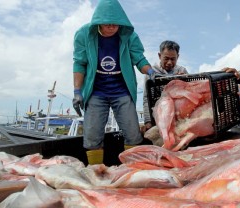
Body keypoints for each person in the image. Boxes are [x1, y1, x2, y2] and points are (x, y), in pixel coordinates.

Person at [72, 0, 155, 164]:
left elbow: (139, 59)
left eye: (115, 24)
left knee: (133, 133)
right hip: (96, 91)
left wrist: (151, 71)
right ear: (98, 22)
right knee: (92, 135)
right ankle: (96, 171)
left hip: (122, 91)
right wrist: (77, 91)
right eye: (107, 24)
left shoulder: (129, 35)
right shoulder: (83, 34)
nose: (112, 27)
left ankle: (132, 171)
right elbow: (79, 63)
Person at [141, 40, 188, 133]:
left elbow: (189, 94)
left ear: (178, 57)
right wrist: (148, 121)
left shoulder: (182, 70)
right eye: (166, 58)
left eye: (173, 59)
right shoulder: (151, 72)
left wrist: (184, 81)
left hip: (178, 116)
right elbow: (146, 99)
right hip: (158, 117)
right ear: (159, 56)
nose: (169, 62)